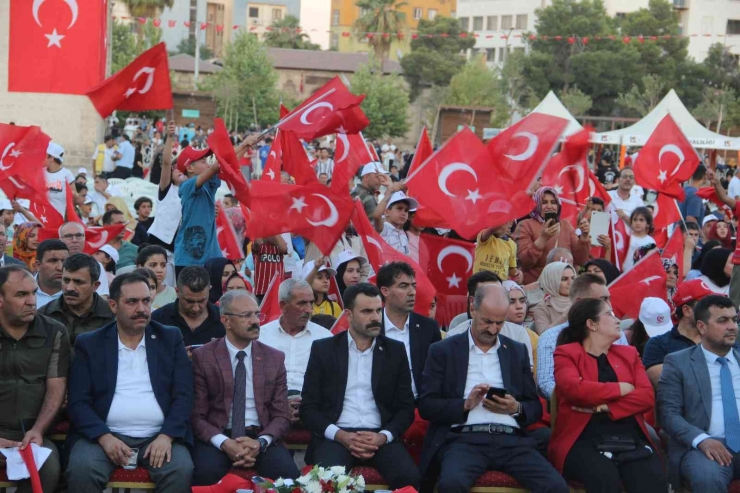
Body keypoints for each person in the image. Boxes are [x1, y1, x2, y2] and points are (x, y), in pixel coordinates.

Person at [419, 284, 569, 493]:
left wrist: (515, 408)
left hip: (511, 440)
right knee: (451, 485)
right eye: (487, 322)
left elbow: (534, 407)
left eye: (499, 323)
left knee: (556, 487)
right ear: (473, 308)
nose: (492, 329)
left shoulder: (516, 351)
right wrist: (464, 405)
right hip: (464, 440)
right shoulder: (443, 351)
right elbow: (426, 405)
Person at [66, 273, 194, 492]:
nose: (142, 309)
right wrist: (104, 437)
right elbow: (78, 402)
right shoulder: (90, 344)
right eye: (132, 302)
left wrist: (166, 436)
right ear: (113, 306)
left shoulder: (170, 338)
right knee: (82, 468)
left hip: (159, 435)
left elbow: (184, 395)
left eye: (146, 301)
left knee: (180, 468)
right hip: (103, 436)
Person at [300, 283, 420, 489]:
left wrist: (383, 437)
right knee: (326, 482)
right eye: (366, 311)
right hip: (336, 437)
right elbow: (308, 408)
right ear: (348, 314)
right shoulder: (324, 350)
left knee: (410, 479)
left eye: (377, 311)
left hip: (380, 436)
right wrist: (340, 435)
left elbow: (406, 407)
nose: (375, 317)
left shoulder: (395, 351)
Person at [550, 298, 667, 493]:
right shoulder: (566, 353)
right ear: (591, 324)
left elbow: (646, 397)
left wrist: (606, 407)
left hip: (629, 437)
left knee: (652, 478)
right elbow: (573, 389)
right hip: (582, 439)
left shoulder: (629, 354)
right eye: (609, 314)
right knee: (604, 478)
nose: (617, 319)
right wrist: (621, 388)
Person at [191, 290, 300, 485]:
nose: (255, 321)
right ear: (226, 321)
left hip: (261, 435)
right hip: (219, 435)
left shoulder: (274, 359)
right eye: (246, 315)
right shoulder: (204, 357)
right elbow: (197, 416)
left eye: (257, 314)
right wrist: (225, 443)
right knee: (204, 473)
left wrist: (260, 443)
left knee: (288, 475)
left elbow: (282, 415)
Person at [658, 295, 740, 491]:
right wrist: (702, 440)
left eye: (734, 320)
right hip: (705, 446)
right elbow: (668, 414)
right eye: (723, 320)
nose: (732, 326)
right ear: (701, 327)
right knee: (707, 478)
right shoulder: (678, 363)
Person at [0, 266, 69, 493]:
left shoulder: (54, 331)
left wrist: (38, 430)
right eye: (21, 295)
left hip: (32, 435)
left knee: (48, 470)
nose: (32, 301)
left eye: (33, 293)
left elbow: (56, 387)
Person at [537, 273, 629, 400]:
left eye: (609, 299)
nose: (610, 306)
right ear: (579, 303)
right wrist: (585, 400)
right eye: (603, 299)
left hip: (619, 406)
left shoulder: (617, 334)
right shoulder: (551, 337)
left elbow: (634, 381)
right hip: (575, 408)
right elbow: (546, 384)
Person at [258, 278, 332, 422]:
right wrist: (280, 404)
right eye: (302, 303)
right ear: (283, 305)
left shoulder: (325, 337)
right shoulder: (261, 336)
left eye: (311, 302)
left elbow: (331, 383)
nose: (309, 310)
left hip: (313, 405)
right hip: (269, 405)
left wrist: (307, 405)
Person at [377, 262, 442, 399]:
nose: (412, 292)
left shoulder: (428, 328)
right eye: (403, 286)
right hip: (382, 408)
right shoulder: (372, 327)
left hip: (420, 406)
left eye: (413, 286)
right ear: (385, 291)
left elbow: (437, 375)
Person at [447, 272, 535, 365]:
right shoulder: (452, 338)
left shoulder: (518, 335)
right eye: (487, 321)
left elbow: (525, 375)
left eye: (499, 295)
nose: (493, 330)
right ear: (472, 304)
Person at [642, 280, 714, 388]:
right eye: (706, 305)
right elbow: (665, 383)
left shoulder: (717, 339)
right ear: (687, 311)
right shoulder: (658, 344)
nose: (713, 310)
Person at [515, 187, 590, 284]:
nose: (549, 206)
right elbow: (524, 261)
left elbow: (581, 260)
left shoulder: (566, 225)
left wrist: (584, 237)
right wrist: (543, 239)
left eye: (553, 202)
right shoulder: (525, 225)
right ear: (536, 204)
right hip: (537, 287)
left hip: (564, 287)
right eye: (544, 202)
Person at [39, 253, 114, 346]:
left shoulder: (113, 317)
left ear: (95, 285)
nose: (70, 288)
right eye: (66, 280)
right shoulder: (43, 315)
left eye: (78, 282)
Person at [174, 144, 222, 273]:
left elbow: (226, 165)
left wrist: (245, 146)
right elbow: (216, 167)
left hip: (212, 256)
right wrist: (244, 144)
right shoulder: (186, 186)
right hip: (189, 259)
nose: (207, 164)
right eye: (203, 161)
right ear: (189, 167)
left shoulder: (209, 185)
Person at [151, 266, 225, 349]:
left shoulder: (224, 320)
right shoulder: (158, 320)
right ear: (177, 291)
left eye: (201, 301)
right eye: (189, 301)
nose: (195, 308)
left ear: (209, 290)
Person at [58, 222, 110, 297]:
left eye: (79, 235)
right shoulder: (53, 265)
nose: (75, 240)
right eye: (69, 236)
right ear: (60, 239)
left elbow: (102, 296)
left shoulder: (96, 265)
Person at [531, 262, 576, 335]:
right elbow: (544, 335)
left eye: (573, 278)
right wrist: (566, 315)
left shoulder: (581, 302)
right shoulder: (541, 308)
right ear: (552, 281)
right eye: (564, 279)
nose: (570, 282)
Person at [373, 189, 417, 256]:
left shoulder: (403, 235)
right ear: (386, 212)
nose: (403, 213)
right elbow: (376, 216)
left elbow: (408, 258)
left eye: (406, 210)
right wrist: (390, 192)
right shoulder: (383, 228)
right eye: (399, 208)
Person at [136, 245, 177, 309]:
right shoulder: (131, 292)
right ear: (140, 267)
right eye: (153, 265)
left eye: (163, 265)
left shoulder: (173, 294)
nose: (159, 270)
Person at [35, 239, 69, 309]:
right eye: (53, 261)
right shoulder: (21, 290)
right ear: (38, 265)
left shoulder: (77, 293)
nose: (60, 268)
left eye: (64, 261)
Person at [251, 235, 287, 301]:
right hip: (261, 291)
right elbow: (257, 243)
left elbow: (284, 248)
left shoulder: (279, 248)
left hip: (278, 291)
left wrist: (275, 232)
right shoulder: (259, 247)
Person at [45, 142, 76, 217]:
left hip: (59, 217)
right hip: (42, 217)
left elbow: (73, 195)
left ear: (51, 158)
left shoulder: (66, 174)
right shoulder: (40, 173)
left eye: (45, 155)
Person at [623, 207, 656, 272]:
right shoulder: (626, 237)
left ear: (648, 224)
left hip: (640, 274)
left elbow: (651, 261)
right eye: (635, 220)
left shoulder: (650, 241)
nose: (637, 223)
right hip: (623, 273)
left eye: (641, 220)